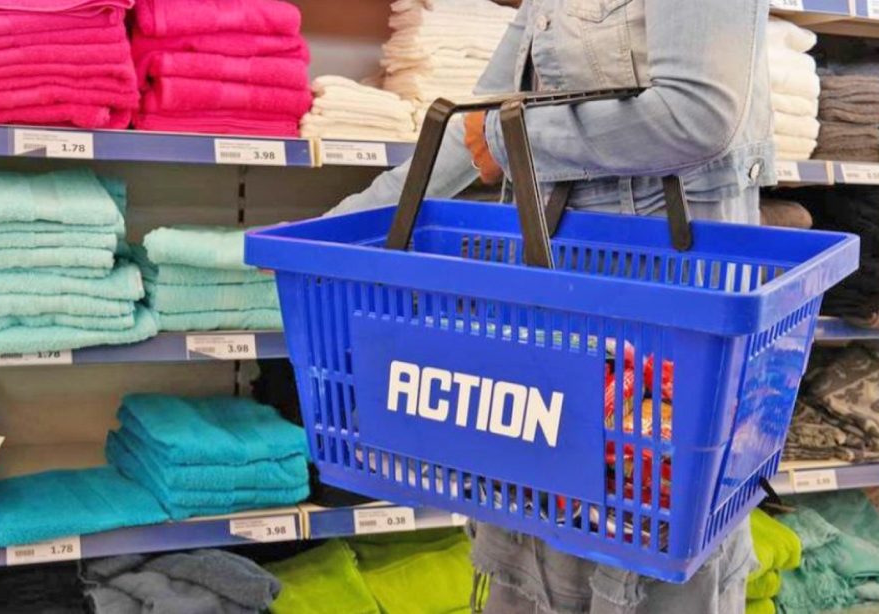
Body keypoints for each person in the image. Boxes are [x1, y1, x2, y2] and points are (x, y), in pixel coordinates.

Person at [328, 1, 774, 612]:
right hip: (554, 314)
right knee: (541, 532)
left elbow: (700, 112)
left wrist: (512, 140)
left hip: (667, 315)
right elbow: (470, 127)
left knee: (645, 544)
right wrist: (335, 229)